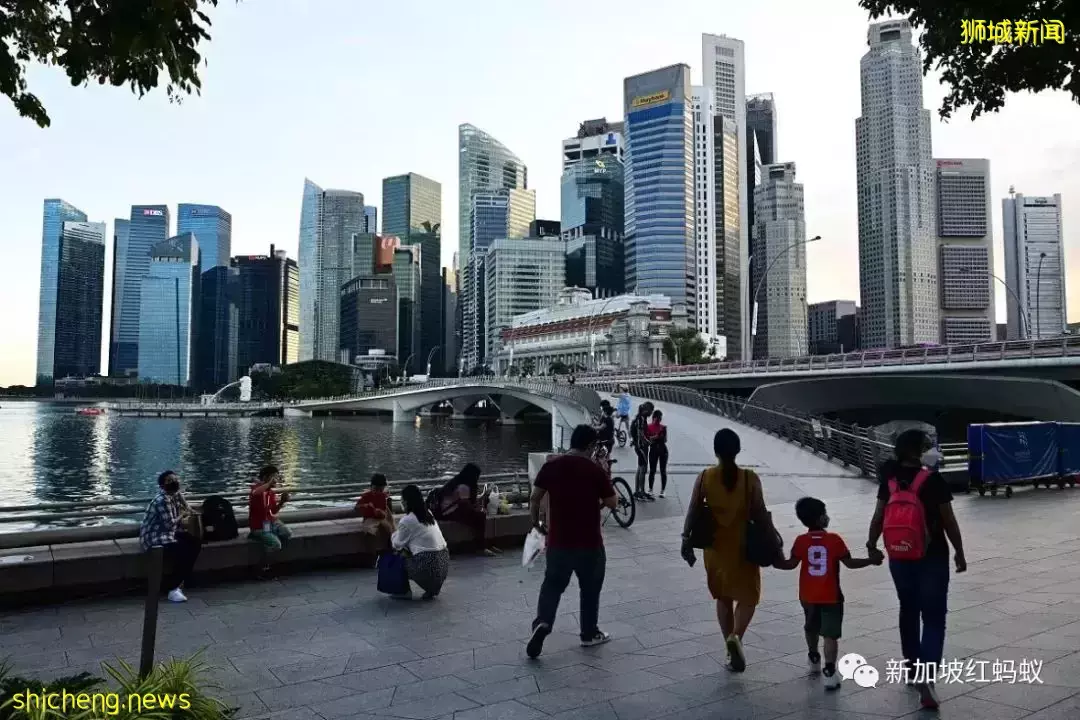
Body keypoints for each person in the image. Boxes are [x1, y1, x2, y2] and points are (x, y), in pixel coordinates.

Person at [866, 429, 966, 710]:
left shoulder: (890, 480)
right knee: (934, 617)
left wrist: (872, 545)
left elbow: (878, 517)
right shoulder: (933, 480)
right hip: (932, 555)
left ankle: (912, 668)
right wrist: (959, 551)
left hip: (899, 555)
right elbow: (949, 521)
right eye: (926, 446)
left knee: (908, 609)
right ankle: (927, 676)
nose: (930, 449)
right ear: (917, 450)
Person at [680, 428, 771, 672]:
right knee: (749, 597)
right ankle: (736, 638)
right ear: (738, 450)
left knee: (723, 597)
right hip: (743, 548)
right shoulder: (750, 478)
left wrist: (685, 538)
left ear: (716, 451)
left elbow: (693, 511)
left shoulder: (705, 477)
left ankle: (729, 650)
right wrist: (773, 538)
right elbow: (760, 513)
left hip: (715, 549)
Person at [526, 424, 618, 658]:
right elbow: (612, 502)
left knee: (552, 586)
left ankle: (543, 622)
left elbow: (535, 498)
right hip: (589, 543)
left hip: (559, 542)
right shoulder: (593, 470)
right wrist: (605, 472)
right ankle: (589, 634)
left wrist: (536, 523)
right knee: (590, 589)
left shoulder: (551, 465)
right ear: (589, 446)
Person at [774, 497, 881, 690]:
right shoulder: (834, 540)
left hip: (807, 596)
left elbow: (789, 564)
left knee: (811, 627)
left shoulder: (801, 541)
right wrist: (870, 560)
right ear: (821, 518)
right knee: (830, 634)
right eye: (825, 513)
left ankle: (813, 656)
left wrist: (774, 557)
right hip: (831, 595)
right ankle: (830, 671)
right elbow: (850, 563)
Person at [139, 470, 202, 603]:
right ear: (162, 486)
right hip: (155, 538)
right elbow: (170, 524)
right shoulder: (163, 500)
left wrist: (190, 510)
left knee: (195, 542)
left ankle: (180, 580)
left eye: (175, 479)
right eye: (169, 481)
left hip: (168, 534)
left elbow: (183, 502)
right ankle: (172, 588)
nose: (174, 482)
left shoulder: (174, 494)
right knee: (184, 552)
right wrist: (183, 515)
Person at [391, 484, 450, 600]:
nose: (401, 501)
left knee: (398, 555)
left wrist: (393, 534)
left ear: (406, 501)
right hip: (443, 562)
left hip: (427, 566)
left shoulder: (406, 521)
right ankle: (431, 589)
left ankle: (404, 591)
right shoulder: (428, 514)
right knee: (414, 547)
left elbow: (397, 544)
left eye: (402, 498)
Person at [434, 463, 500, 557]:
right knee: (480, 517)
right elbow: (466, 505)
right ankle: (482, 547)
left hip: (451, 510)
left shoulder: (458, 481)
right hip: (448, 512)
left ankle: (487, 545)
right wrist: (479, 509)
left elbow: (467, 503)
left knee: (480, 516)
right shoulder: (463, 486)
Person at [248, 465, 292, 552]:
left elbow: (273, 511)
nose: (276, 480)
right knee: (276, 545)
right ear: (265, 477)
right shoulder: (257, 488)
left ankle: (268, 535)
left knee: (287, 533)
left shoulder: (271, 492)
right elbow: (255, 493)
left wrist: (282, 502)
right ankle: (265, 564)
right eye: (273, 477)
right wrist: (267, 483)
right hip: (259, 526)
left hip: (270, 523)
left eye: (276, 477)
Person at [356, 473, 395, 551]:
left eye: (380, 490)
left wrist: (381, 513)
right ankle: (372, 553)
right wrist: (365, 506)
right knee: (370, 531)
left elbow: (384, 513)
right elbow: (357, 508)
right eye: (376, 489)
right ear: (371, 487)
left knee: (389, 529)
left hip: (381, 518)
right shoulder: (366, 496)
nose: (378, 492)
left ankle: (391, 549)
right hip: (370, 518)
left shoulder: (383, 496)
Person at [629, 403, 655, 501]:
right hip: (641, 447)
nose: (651, 413)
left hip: (639, 446)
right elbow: (640, 433)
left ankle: (637, 491)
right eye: (651, 410)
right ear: (646, 410)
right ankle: (641, 492)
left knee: (640, 468)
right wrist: (648, 442)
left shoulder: (639, 418)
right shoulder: (641, 419)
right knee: (643, 469)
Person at [646, 409, 669, 498]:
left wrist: (660, 436)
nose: (659, 419)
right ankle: (650, 489)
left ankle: (662, 490)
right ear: (654, 418)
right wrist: (655, 437)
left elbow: (665, 440)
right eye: (658, 418)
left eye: (660, 418)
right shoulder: (649, 427)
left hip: (663, 449)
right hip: (654, 449)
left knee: (663, 470)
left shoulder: (663, 427)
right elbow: (648, 439)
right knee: (652, 470)